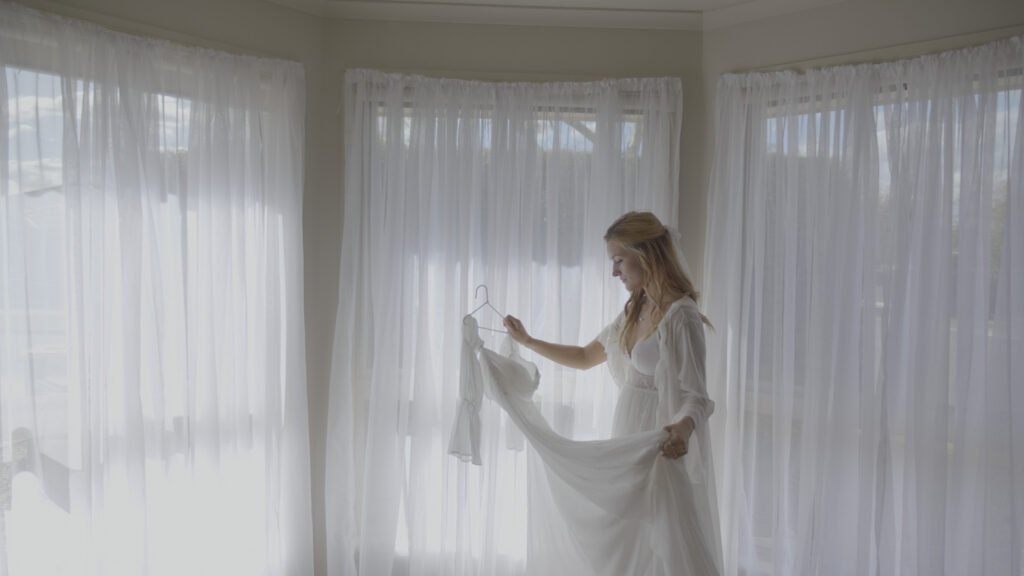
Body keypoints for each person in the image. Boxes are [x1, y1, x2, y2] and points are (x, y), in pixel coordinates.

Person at [503, 211, 714, 462]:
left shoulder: (682, 315)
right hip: (628, 431)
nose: (614, 272)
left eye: (619, 260)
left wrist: (684, 427)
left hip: (659, 437)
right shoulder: (635, 309)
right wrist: (528, 341)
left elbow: (698, 396)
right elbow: (584, 357)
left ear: (646, 255)